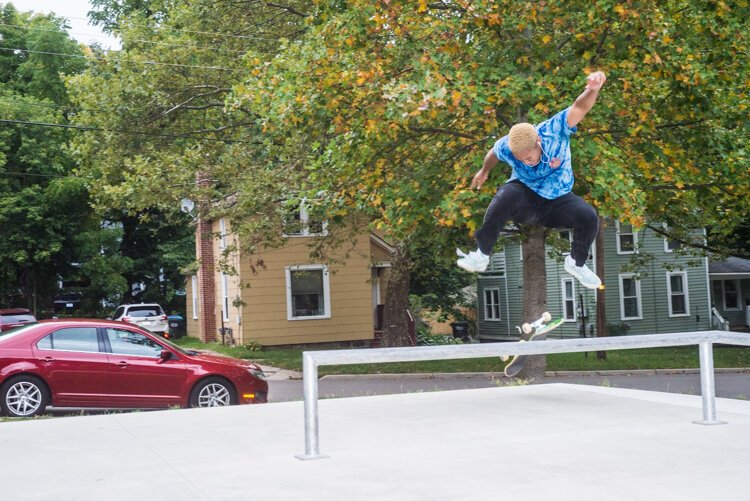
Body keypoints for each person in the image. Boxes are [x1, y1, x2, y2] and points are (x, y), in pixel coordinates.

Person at [456, 71, 606, 289]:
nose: (526, 162)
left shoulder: (554, 130)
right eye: (520, 159)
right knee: (505, 196)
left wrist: (593, 88)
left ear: (537, 140)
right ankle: (482, 253)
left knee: (589, 216)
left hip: (558, 200)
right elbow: (493, 154)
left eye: (529, 157)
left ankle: (576, 263)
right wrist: (483, 171)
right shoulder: (508, 145)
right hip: (526, 197)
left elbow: (580, 108)